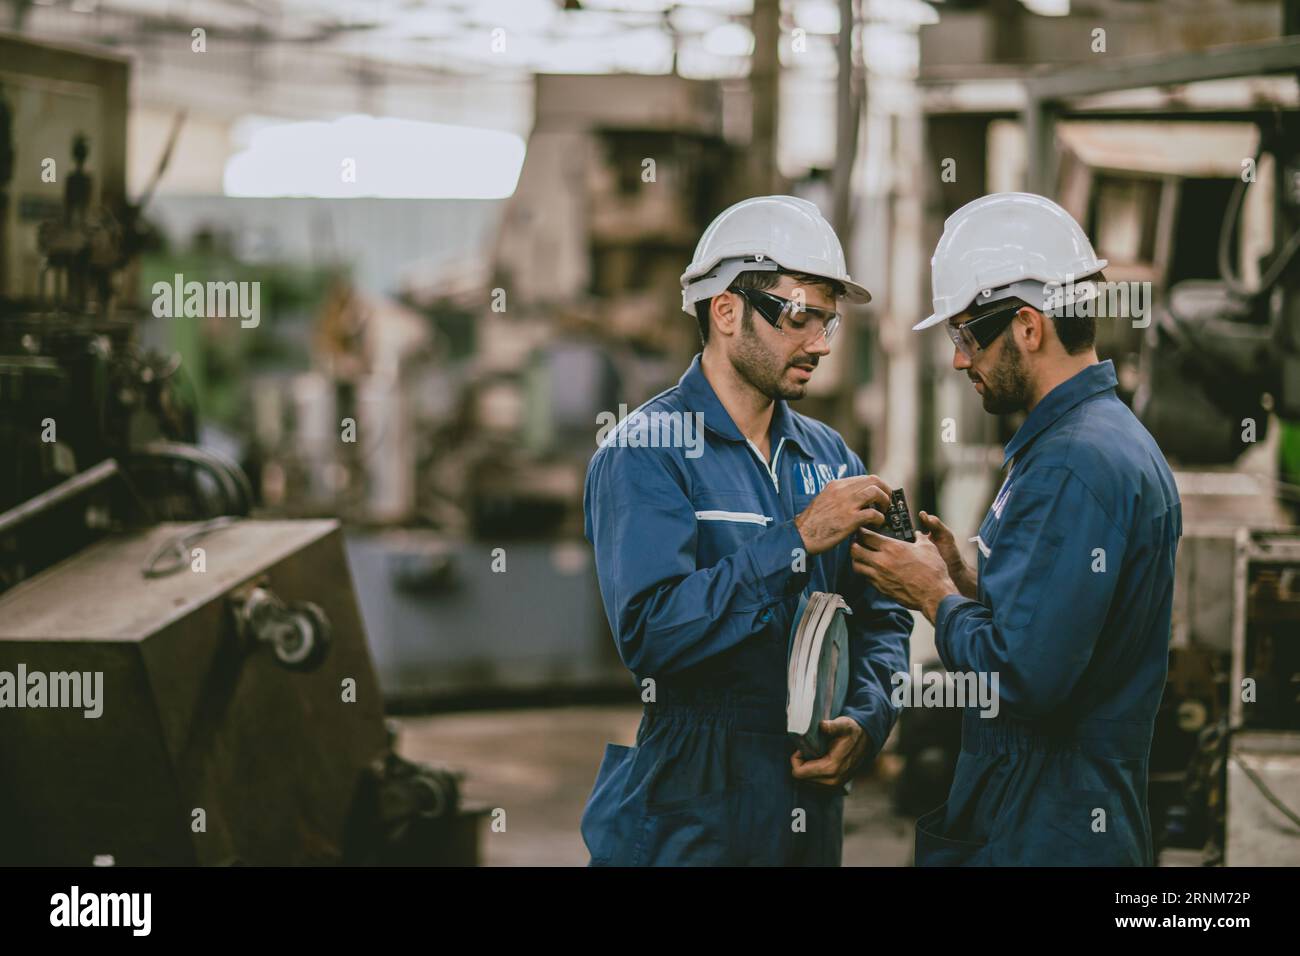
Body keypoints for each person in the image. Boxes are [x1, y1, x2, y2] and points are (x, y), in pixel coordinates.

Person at [580, 195, 913, 866]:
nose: (819, 343)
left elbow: (884, 617)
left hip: (806, 803)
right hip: (694, 805)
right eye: (799, 316)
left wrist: (869, 717)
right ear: (727, 311)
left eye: (829, 321)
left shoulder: (830, 458)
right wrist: (795, 541)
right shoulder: (647, 452)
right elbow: (652, 632)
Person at [853, 192, 1182, 866]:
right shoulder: (1091, 440)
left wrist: (932, 599)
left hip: (1047, 829)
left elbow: (1021, 681)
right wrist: (968, 584)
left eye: (967, 336)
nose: (958, 360)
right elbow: (1062, 624)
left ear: (1028, 328)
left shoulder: (1072, 463)